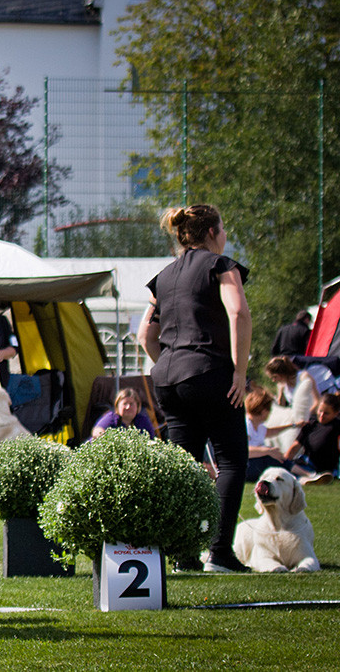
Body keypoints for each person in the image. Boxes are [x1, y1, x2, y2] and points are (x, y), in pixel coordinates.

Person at [139, 204, 252, 573]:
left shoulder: (165, 275)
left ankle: (183, 554)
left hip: (169, 378)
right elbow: (238, 313)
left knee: (184, 468)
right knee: (231, 460)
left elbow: (145, 335)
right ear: (211, 233)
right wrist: (239, 372)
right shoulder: (222, 266)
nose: (225, 236)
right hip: (210, 372)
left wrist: (171, 365)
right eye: (223, 229)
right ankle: (219, 552)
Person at [285, 392, 340, 485]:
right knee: (288, 469)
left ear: (336, 413)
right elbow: (295, 447)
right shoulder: (311, 424)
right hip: (306, 463)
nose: (322, 416)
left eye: (326, 413)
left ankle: (310, 478)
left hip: (324, 467)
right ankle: (308, 478)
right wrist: (284, 462)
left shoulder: (337, 426)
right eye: (320, 411)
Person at [244, 386, 297, 482]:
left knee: (275, 457)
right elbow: (244, 450)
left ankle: (302, 475)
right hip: (246, 467)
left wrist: (292, 425)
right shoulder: (245, 425)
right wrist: (268, 450)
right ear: (264, 412)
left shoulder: (258, 426)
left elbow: (271, 431)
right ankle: (304, 475)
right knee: (271, 458)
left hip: (255, 463)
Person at [265, 356, 320, 426]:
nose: (273, 380)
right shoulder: (283, 385)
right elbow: (282, 407)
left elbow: (317, 402)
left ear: (282, 373)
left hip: (313, 415)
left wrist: (304, 416)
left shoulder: (303, 377)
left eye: (275, 377)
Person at [90, 387, 156, 439]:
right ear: (117, 406)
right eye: (125, 404)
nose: (128, 407)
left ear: (138, 406)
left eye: (131, 404)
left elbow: (151, 439)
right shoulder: (111, 418)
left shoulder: (143, 421)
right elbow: (97, 431)